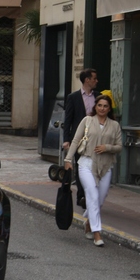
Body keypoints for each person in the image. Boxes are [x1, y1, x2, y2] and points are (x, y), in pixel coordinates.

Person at [64, 94, 123, 247]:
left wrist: (107, 148)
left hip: (105, 165)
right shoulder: (87, 121)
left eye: (105, 106)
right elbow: (76, 140)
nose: (102, 108)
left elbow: (119, 146)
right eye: (100, 105)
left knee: (100, 198)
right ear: (95, 107)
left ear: (109, 109)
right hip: (86, 163)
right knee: (92, 194)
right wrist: (68, 159)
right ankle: (97, 233)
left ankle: (89, 222)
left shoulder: (114, 125)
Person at [62, 68, 100, 209]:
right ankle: (81, 197)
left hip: (96, 139)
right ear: (87, 80)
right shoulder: (73, 97)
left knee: (94, 168)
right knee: (81, 167)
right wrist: (67, 139)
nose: (96, 81)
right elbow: (68, 120)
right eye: (94, 78)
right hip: (79, 140)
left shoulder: (99, 96)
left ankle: (92, 195)